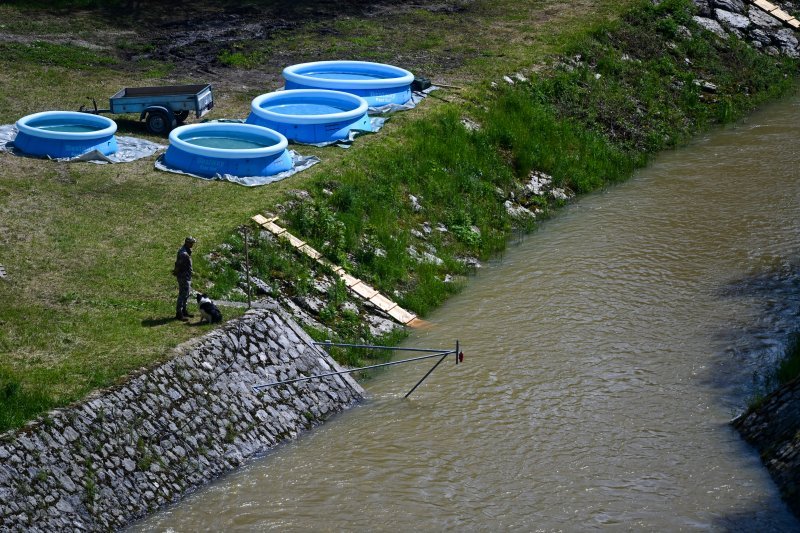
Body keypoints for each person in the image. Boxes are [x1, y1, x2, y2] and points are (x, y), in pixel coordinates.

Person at [173, 236, 196, 321]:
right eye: (191, 243)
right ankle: (179, 313)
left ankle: (184, 311)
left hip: (187, 276)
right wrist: (176, 272)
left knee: (186, 294)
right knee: (182, 294)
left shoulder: (187, 251)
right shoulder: (183, 253)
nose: (192, 245)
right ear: (187, 243)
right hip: (183, 277)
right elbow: (178, 264)